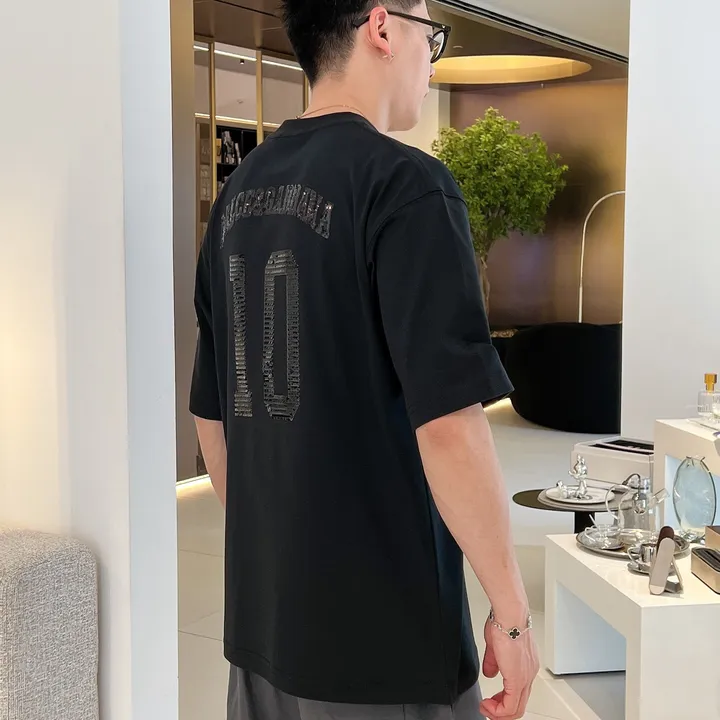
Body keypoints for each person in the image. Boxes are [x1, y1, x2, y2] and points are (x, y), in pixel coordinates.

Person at [190, 1, 539, 718]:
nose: (430, 61)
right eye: (430, 36)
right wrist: (511, 615)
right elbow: (451, 428)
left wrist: (284, 556)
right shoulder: (408, 186)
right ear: (382, 28)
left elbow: (212, 420)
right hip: (386, 648)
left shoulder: (237, 195)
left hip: (264, 634)